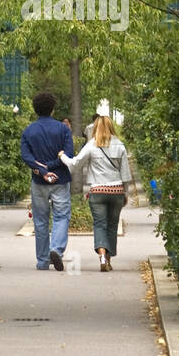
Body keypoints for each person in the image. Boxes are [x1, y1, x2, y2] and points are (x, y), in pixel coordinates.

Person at [59, 115, 132, 272]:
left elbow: (75, 164)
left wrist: (62, 156)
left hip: (98, 191)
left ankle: (102, 256)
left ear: (95, 128)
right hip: (116, 191)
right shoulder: (120, 145)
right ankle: (109, 259)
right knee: (112, 226)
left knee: (99, 224)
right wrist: (125, 193)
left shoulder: (92, 144)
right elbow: (125, 174)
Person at [20, 92, 75, 271]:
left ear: (35, 109)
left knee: (41, 220)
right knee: (61, 216)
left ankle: (43, 261)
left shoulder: (29, 131)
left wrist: (43, 170)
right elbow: (68, 154)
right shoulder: (63, 129)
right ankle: (56, 249)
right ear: (53, 109)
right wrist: (51, 166)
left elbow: (26, 156)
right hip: (60, 179)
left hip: (39, 181)